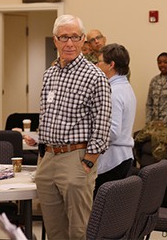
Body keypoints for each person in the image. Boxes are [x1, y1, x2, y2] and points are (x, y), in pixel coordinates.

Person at [31, 14, 112, 240]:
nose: (69, 43)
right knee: (54, 231)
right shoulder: (50, 74)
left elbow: (102, 124)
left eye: (75, 37)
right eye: (64, 37)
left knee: (79, 231)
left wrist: (88, 162)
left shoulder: (95, 76)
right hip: (47, 160)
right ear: (55, 40)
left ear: (83, 40)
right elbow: (46, 114)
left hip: (76, 159)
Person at [94, 43, 135, 198]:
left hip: (112, 161)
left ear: (111, 65)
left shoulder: (114, 92)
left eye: (99, 62)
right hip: (122, 158)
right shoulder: (125, 87)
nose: (97, 66)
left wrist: (88, 131)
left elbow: (112, 132)